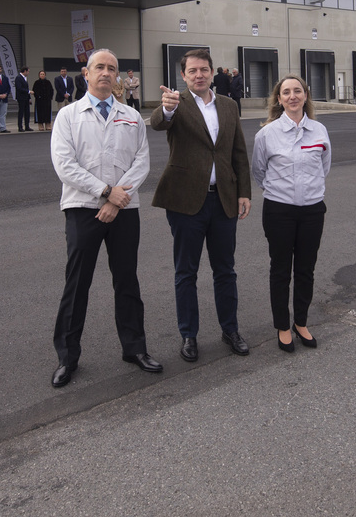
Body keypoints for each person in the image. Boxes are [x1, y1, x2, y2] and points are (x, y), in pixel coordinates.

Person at [49, 48, 161, 387]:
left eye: (112, 68)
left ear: (118, 77)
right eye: (100, 67)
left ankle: (134, 348)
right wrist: (105, 192)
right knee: (77, 283)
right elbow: (65, 165)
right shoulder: (68, 116)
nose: (106, 73)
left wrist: (117, 198)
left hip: (125, 209)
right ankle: (67, 358)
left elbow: (142, 162)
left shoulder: (130, 116)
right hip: (83, 209)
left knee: (127, 280)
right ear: (86, 73)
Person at [150, 49, 252, 361]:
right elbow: (157, 123)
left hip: (223, 200)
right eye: (192, 71)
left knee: (225, 270)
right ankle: (189, 335)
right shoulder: (175, 103)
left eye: (204, 70)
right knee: (186, 272)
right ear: (183, 75)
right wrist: (166, 110)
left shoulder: (228, 106)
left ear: (212, 72)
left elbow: (238, 152)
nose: (199, 75)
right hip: (185, 201)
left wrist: (244, 192)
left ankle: (230, 329)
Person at [251, 75, 331, 353]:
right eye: (286, 92)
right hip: (279, 211)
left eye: (298, 91)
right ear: (279, 99)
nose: (292, 96)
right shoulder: (266, 134)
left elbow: (324, 166)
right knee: (281, 270)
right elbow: (259, 172)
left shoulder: (319, 130)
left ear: (306, 96)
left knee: (306, 270)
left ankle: (301, 322)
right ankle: (283, 326)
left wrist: (308, 191)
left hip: (312, 211)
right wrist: (283, 193)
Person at [15, 67, 33, 132]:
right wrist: (28, 92)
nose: (28, 73)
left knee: (27, 112)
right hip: (21, 98)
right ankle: (20, 126)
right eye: (28, 71)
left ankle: (27, 126)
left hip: (26, 98)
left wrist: (29, 98)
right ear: (25, 71)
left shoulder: (25, 78)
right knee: (21, 112)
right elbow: (19, 88)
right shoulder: (18, 78)